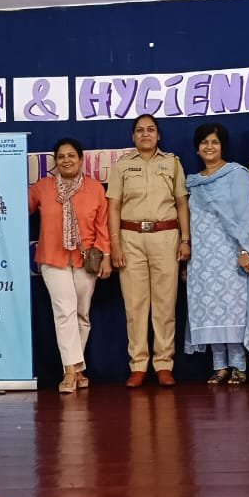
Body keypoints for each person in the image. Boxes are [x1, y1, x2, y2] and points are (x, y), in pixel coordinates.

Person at [107, 114, 191, 388]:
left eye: (150, 129)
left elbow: (181, 203)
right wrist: (115, 244)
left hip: (166, 236)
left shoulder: (172, 163)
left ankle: (164, 364)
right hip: (130, 237)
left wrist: (185, 239)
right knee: (135, 305)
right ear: (133, 136)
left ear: (158, 135)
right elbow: (114, 207)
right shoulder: (122, 166)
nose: (145, 134)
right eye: (140, 130)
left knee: (165, 305)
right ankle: (138, 365)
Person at [28, 138, 111, 393]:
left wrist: (106, 256)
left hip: (86, 260)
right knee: (65, 311)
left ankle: (78, 368)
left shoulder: (94, 188)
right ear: (55, 161)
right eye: (61, 156)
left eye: (71, 155)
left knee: (82, 315)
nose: (66, 160)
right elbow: (19, 210)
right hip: (53, 259)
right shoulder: (42, 187)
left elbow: (102, 226)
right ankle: (70, 372)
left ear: (80, 159)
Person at [184, 123, 249, 384]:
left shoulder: (236, 174)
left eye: (215, 142)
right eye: (204, 142)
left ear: (222, 146)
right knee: (210, 309)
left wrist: (245, 250)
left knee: (233, 308)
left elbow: (244, 214)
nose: (209, 147)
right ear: (197, 148)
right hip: (202, 258)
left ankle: (239, 366)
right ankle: (220, 367)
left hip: (231, 253)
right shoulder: (193, 182)